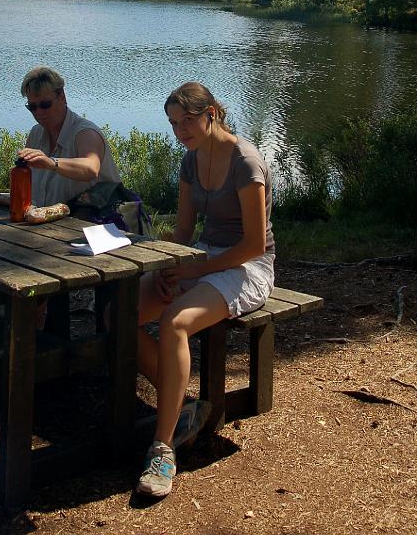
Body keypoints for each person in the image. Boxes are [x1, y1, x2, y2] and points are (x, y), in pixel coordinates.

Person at [135, 81, 275, 498]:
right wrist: (168, 266)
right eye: (173, 124)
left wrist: (196, 268)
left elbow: (253, 244)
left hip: (248, 267)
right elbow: (183, 232)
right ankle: (184, 407)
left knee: (175, 323)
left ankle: (162, 451)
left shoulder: (245, 162)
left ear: (211, 114)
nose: (180, 132)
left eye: (187, 121)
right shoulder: (190, 161)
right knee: (119, 315)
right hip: (203, 256)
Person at [16, 65, 120, 206]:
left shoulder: (86, 133)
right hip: (49, 218)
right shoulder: (35, 134)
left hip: (98, 218)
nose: (39, 112)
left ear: (62, 97)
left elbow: (90, 168)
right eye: (32, 107)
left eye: (45, 104)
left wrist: (51, 163)